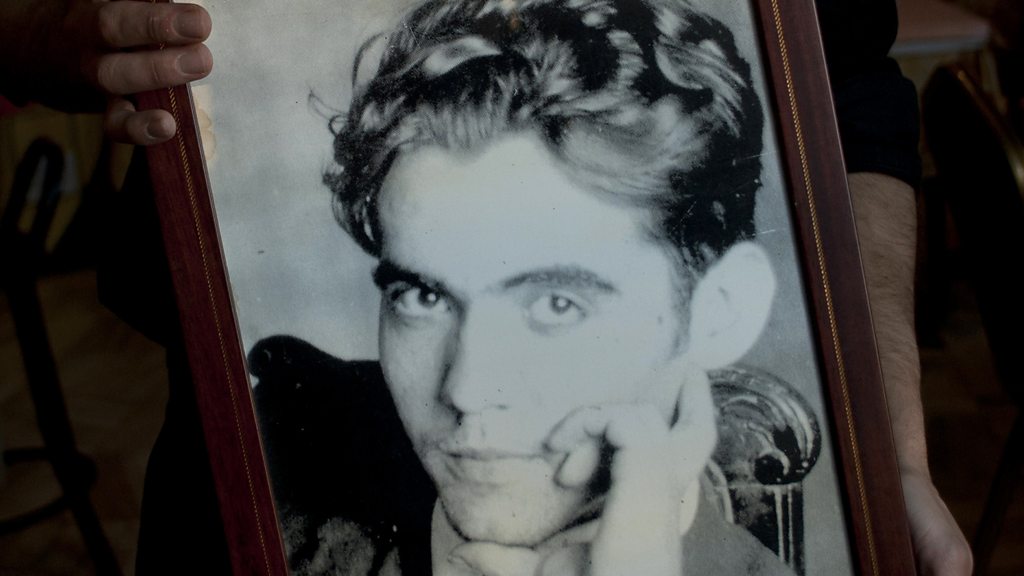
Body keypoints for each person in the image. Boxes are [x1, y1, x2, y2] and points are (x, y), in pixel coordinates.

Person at [0, 1, 973, 575]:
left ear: (719, 310)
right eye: (421, 295)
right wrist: (60, 32)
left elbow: (849, 80)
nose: (466, 389)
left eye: (555, 303)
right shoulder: (298, 500)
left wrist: (885, 448)